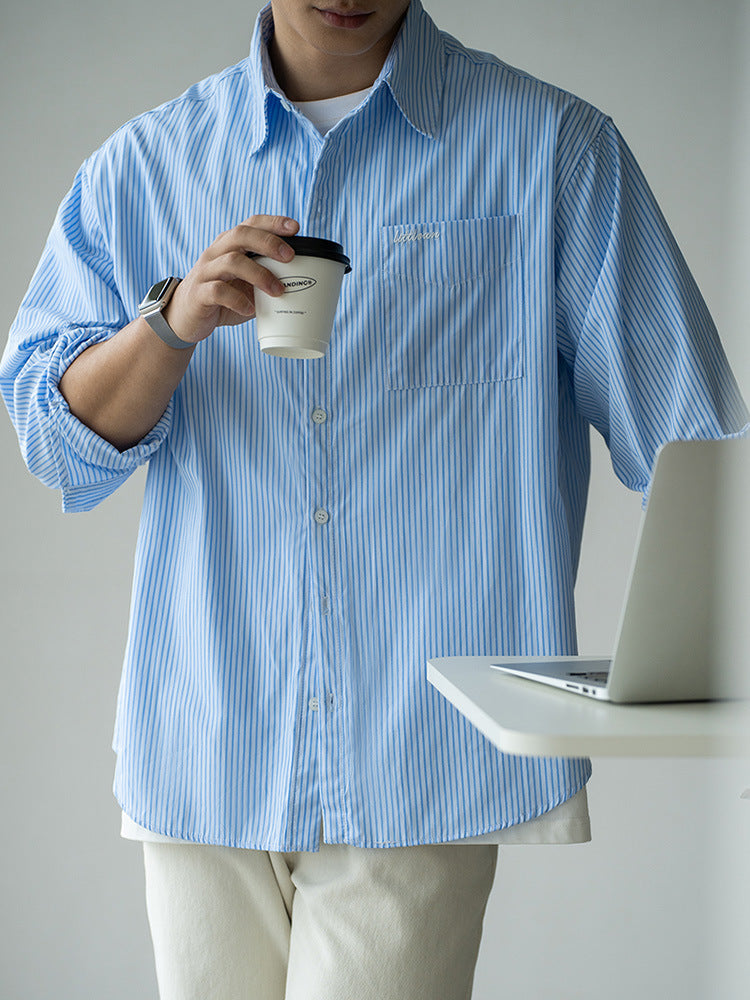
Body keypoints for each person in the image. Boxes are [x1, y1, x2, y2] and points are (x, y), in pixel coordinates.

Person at [1, 1, 747, 997]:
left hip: (420, 752)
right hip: (203, 740)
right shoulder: (144, 167)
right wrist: (170, 325)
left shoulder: (554, 151)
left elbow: (696, 444)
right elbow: (54, 443)